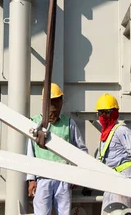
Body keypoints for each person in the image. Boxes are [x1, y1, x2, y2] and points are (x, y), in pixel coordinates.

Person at [27, 83, 88, 215]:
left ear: (60, 103)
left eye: (56, 104)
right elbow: (30, 153)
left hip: (64, 178)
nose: (53, 111)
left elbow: (81, 151)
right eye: (50, 105)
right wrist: (31, 179)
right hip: (42, 178)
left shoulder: (69, 123)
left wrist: (76, 174)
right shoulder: (35, 123)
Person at [95, 93, 131, 213]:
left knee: (123, 212)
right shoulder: (105, 135)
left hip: (125, 177)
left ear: (114, 112)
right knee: (109, 212)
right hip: (112, 178)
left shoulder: (122, 130)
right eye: (100, 113)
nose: (102, 116)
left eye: (106, 112)